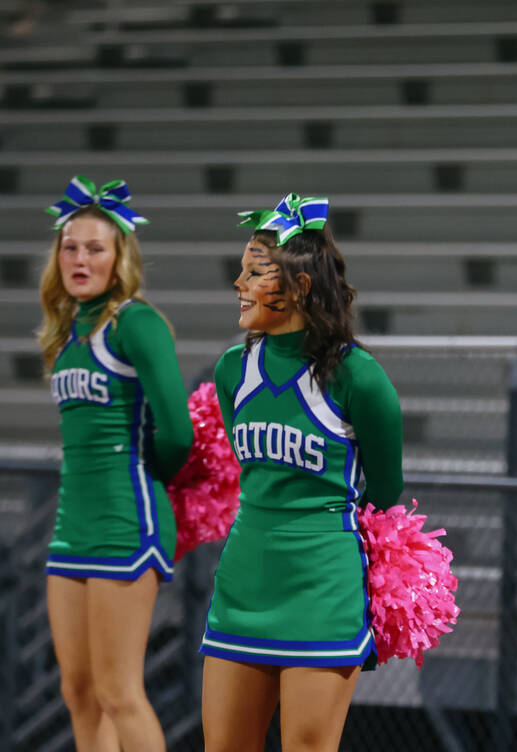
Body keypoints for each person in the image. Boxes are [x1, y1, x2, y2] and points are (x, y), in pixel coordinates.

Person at [200, 194, 405, 751]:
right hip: (243, 584)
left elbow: (386, 493)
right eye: (241, 271)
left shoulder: (358, 378)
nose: (238, 284)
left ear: (299, 287)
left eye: (255, 272)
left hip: (321, 589)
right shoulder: (231, 370)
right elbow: (252, 476)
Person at [38, 176, 193, 751]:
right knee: (78, 691)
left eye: (95, 248)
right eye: (70, 247)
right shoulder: (66, 332)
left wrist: (149, 478)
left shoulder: (138, 324)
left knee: (118, 691)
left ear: (118, 257)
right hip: (72, 526)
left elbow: (177, 431)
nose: (80, 258)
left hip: (127, 522)